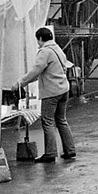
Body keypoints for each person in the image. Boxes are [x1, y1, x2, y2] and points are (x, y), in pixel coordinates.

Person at [13, 27, 76, 163]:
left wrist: (20, 83)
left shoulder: (45, 52)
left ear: (40, 39)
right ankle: (70, 150)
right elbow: (46, 71)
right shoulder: (57, 49)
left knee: (47, 122)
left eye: (38, 40)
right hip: (63, 89)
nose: (37, 43)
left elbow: (36, 70)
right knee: (61, 120)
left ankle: (50, 153)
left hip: (52, 92)